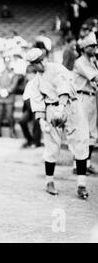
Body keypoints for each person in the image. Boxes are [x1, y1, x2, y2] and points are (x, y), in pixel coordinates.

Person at [26, 47, 89, 199]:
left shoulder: (57, 68)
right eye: (34, 63)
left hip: (70, 105)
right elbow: (37, 100)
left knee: (79, 141)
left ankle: (81, 185)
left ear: (44, 59)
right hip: (50, 108)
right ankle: (49, 182)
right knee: (51, 145)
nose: (37, 65)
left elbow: (64, 88)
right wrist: (41, 121)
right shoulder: (36, 80)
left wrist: (61, 108)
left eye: (39, 61)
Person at [72, 32, 98, 175]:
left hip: (91, 97)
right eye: (92, 46)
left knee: (92, 133)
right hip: (81, 98)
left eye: (95, 45)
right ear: (84, 48)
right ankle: (77, 165)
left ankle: (86, 164)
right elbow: (95, 77)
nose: (95, 48)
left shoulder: (92, 61)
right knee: (81, 132)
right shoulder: (80, 61)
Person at [19, 65, 42, 148]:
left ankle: (36, 142)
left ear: (33, 74)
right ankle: (29, 140)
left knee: (36, 122)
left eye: (29, 73)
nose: (27, 75)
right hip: (28, 106)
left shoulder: (37, 81)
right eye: (27, 73)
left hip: (35, 105)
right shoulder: (29, 82)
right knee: (22, 121)